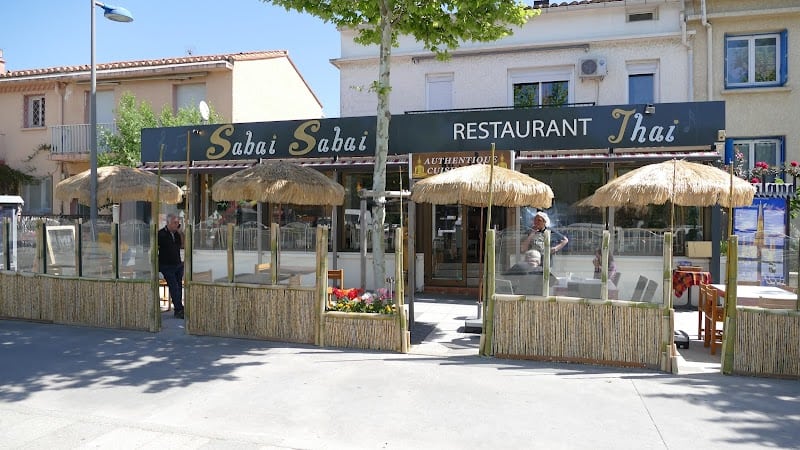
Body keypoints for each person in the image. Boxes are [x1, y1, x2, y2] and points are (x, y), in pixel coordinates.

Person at [158, 213, 185, 319]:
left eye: (178, 223)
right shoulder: (161, 234)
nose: (177, 224)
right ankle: (178, 309)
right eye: (175, 223)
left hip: (177, 264)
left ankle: (179, 307)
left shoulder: (177, 234)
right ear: (168, 223)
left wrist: (180, 233)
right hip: (167, 265)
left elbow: (182, 245)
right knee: (174, 286)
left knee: (179, 286)